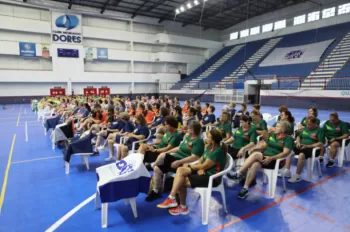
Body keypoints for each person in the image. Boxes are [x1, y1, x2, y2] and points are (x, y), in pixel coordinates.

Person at [156, 129, 227, 216]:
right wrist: (200, 168)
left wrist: (192, 167)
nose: (206, 137)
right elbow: (201, 161)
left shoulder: (217, 151)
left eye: (208, 137)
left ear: (213, 140)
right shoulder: (209, 147)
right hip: (204, 172)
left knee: (181, 180)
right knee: (180, 170)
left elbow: (204, 166)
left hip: (212, 178)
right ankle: (172, 198)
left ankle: (182, 206)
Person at [229, 121, 294, 199]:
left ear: (283, 129)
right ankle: (245, 188)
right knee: (254, 165)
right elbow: (264, 146)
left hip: (275, 161)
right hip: (265, 158)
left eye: (277, 127)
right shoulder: (273, 135)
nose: (275, 128)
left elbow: (285, 153)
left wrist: (271, 158)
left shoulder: (288, 139)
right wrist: (254, 148)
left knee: (256, 155)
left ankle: (238, 173)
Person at [146, 121, 204, 201]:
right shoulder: (188, 137)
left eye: (189, 128)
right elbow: (179, 148)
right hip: (175, 159)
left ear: (193, 130)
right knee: (157, 168)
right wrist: (167, 152)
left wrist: (179, 162)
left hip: (183, 164)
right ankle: (155, 191)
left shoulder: (199, 141)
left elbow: (194, 157)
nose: (187, 129)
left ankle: (152, 165)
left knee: (162, 156)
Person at [281, 116, 325, 182]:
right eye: (307, 124)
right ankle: (287, 171)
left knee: (301, 155)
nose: (308, 126)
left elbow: (321, 143)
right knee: (288, 150)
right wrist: (298, 142)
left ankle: (297, 176)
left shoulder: (320, 130)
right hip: (302, 146)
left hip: (312, 149)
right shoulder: (306, 129)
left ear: (315, 123)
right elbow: (299, 136)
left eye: (309, 124)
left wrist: (308, 146)